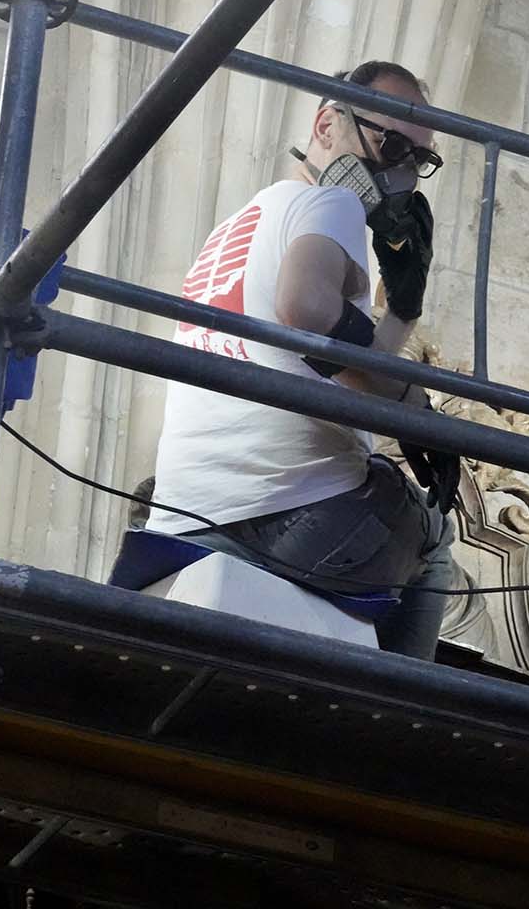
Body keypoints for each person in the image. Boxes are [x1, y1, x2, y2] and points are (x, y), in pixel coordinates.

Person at [144, 60, 460, 661]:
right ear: (326, 125)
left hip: (186, 514)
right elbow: (307, 309)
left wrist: (403, 311)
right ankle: (396, 713)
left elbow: (342, 367)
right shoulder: (332, 204)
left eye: (418, 160)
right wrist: (417, 407)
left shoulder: (243, 224)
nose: (399, 171)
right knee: (435, 532)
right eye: (390, 142)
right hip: (283, 517)